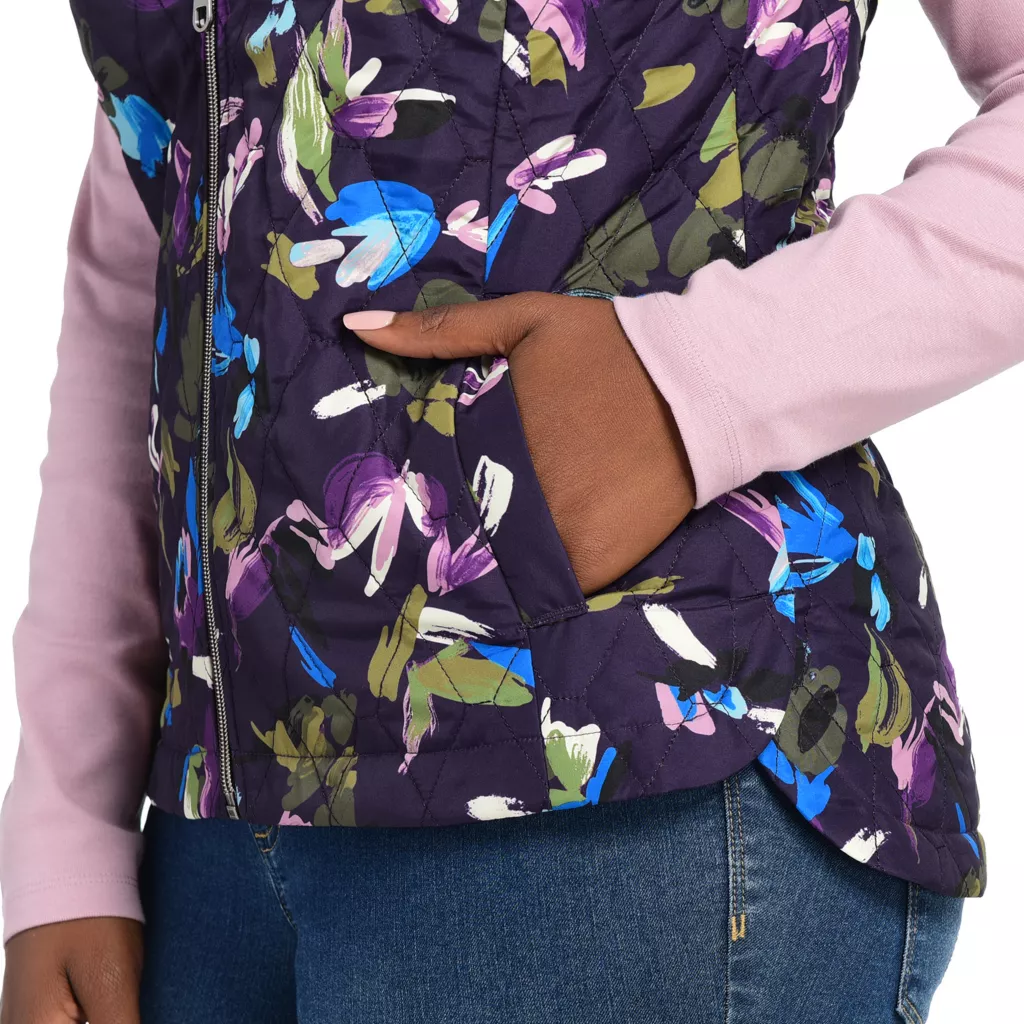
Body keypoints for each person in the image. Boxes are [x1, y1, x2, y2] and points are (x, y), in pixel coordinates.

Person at [1, 0, 1022, 1020]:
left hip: (624, 761)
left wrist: (683, 384)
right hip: (208, 840)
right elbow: (156, 237)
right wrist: (66, 821)